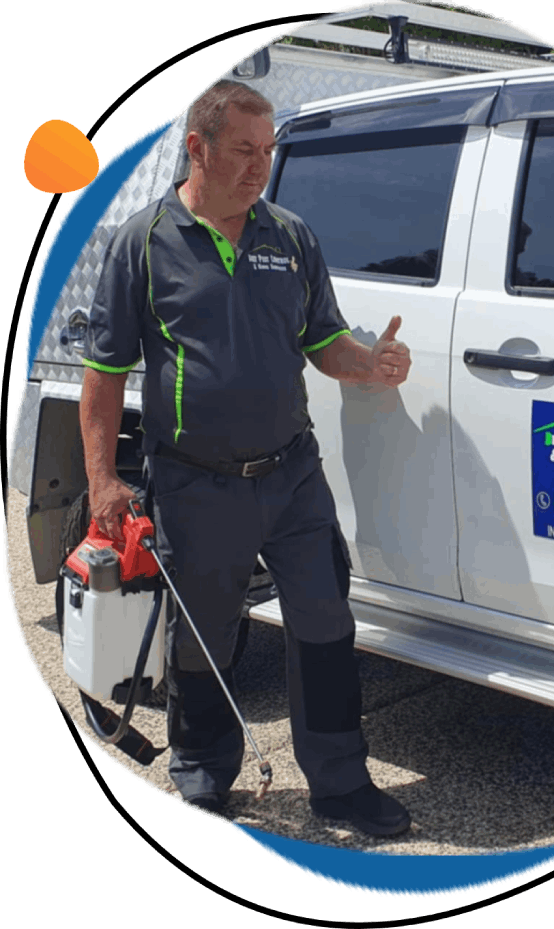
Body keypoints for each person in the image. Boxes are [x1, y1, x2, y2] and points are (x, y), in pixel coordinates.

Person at [79, 80, 413, 835]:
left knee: (326, 623)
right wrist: (102, 478)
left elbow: (322, 339)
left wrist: (370, 363)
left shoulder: (290, 236)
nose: (261, 167)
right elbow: (102, 376)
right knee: (202, 636)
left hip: (293, 475)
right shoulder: (144, 242)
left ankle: (340, 782)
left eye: (269, 151)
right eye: (244, 151)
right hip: (197, 484)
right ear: (197, 149)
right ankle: (201, 776)